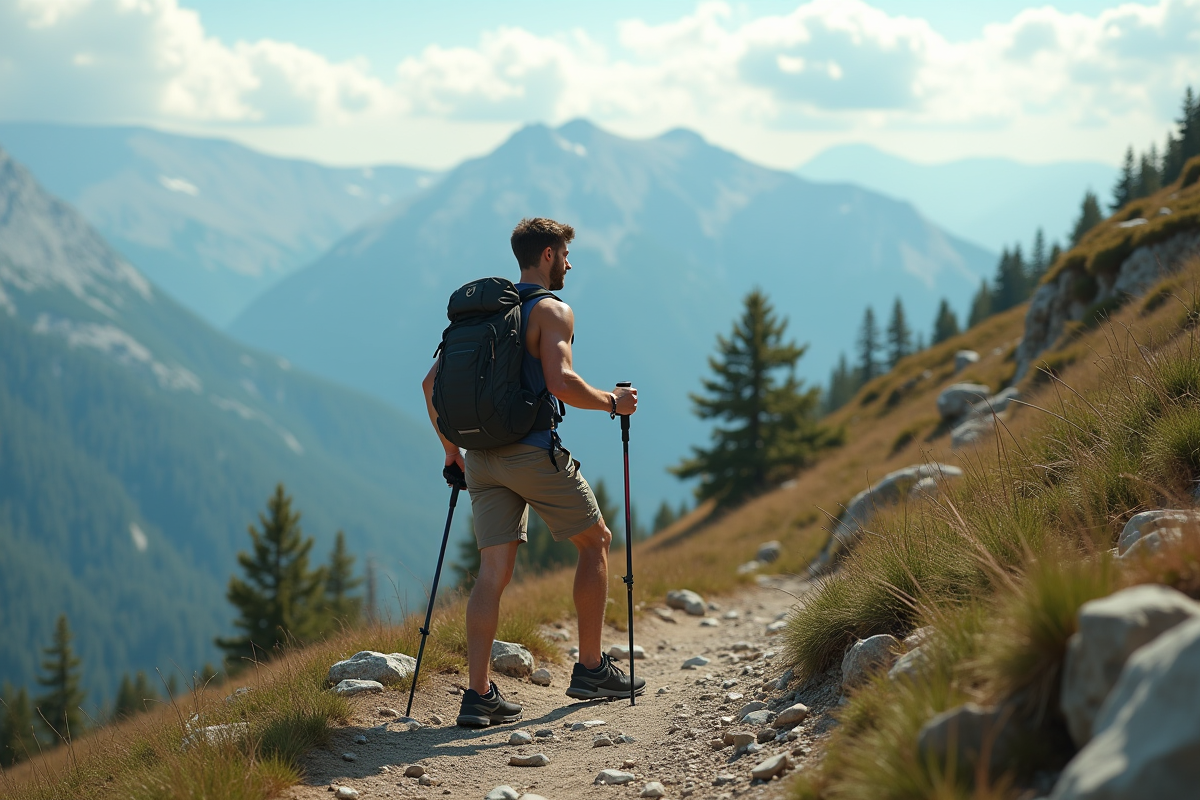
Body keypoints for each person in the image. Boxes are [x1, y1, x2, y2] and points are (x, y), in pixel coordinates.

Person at [421, 217, 644, 727]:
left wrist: (451, 452)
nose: (569, 263)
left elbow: (430, 385)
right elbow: (560, 381)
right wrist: (615, 402)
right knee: (596, 541)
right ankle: (590, 669)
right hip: (531, 453)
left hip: (480, 459)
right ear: (546, 255)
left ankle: (478, 697)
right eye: (565, 254)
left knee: (492, 573)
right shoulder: (551, 310)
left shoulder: (482, 317)